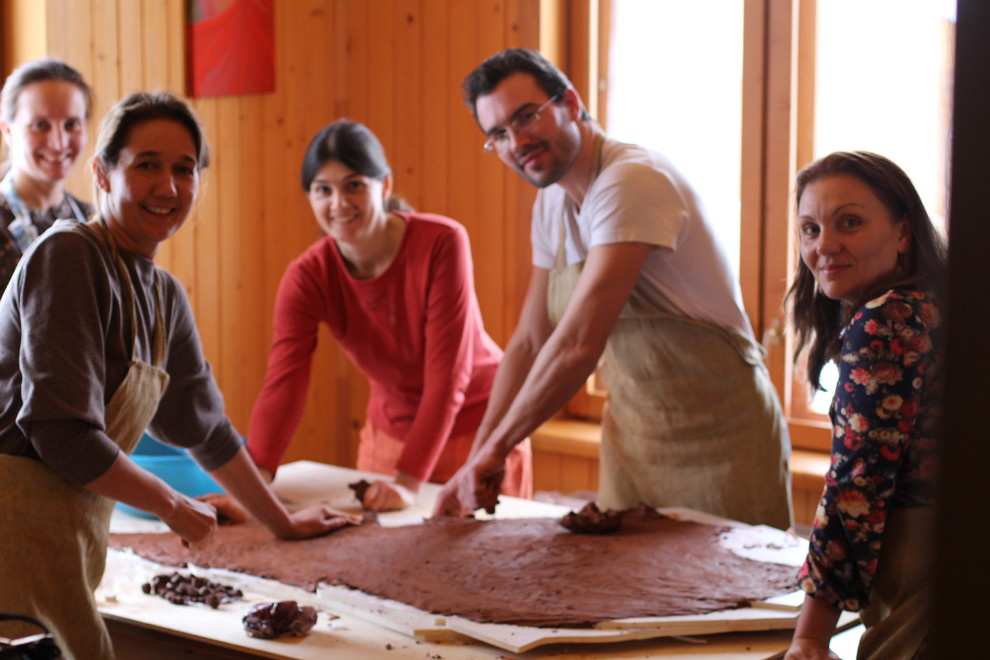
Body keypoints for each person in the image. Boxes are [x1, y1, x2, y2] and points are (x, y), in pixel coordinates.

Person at [0, 91, 359, 660]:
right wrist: (170, 503)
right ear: (102, 172)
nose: (168, 188)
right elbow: (61, 430)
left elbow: (207, 430)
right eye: (147, 165)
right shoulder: (68, 256)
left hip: (66, 547)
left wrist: (282, 522)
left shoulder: (163, 295)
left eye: (184, 169)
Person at [434, 48, 792, 529]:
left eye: (526, 117)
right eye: (498, 134)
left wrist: (497, 450)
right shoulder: (552, 204)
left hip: (723, 442)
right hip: (633, 445)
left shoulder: (631, 181)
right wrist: (476, 460)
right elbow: (529, 341)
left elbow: (578, 344)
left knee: (728, 598)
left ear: (571, 103)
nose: (517, 141)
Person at [246, 120, 532, 512]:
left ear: (385, 186)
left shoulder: (442, 242)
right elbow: (285, 381)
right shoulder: (307, 276)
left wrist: (409, 483)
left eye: (354, 185)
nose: (339, 204)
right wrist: (254, 480)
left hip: (480, 426)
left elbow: (447, 376)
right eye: (323, 190)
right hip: (391, 434)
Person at [783, 152, 946, 660]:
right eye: (810, 229)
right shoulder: (935, 303)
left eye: (849, 223)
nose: (824, 245)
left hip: (922, 565)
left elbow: (857, 485)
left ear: (902, 232)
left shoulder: (887, 320)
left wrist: (810, 635)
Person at [0, 58, 93, 291]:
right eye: (40, 125)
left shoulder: (94, 220)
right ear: (8, 131)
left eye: (71, 124)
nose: (58, 142)